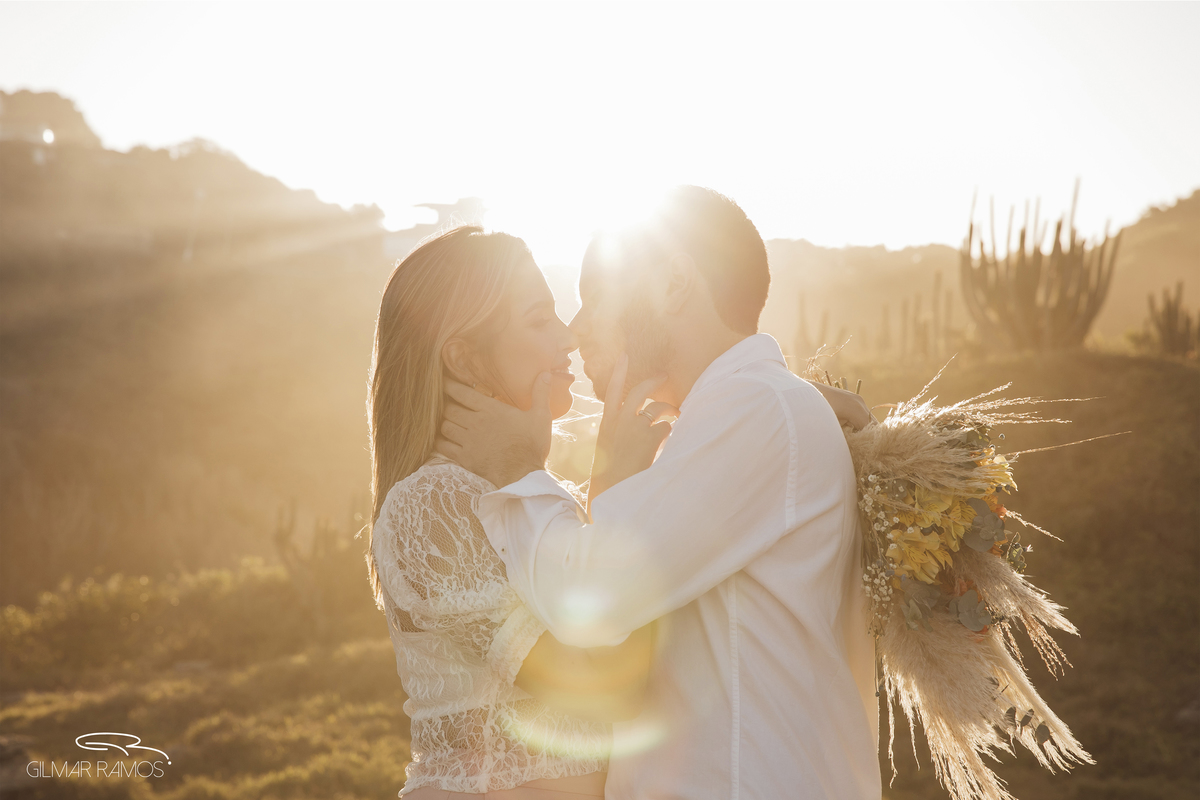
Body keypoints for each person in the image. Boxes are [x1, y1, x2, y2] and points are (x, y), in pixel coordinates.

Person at [437, 187, 882, 799]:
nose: (575, 330)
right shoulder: (736, 414)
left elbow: (590, 598)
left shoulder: (755, 406)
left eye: (596, 297)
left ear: (674, 283)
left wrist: (516, 466)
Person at [365, 226, 656, 799]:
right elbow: (608, 691)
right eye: (538, 319)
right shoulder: (432, 506)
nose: (567, 337)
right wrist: (619, 494)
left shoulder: (520, 493)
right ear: (464, 359)